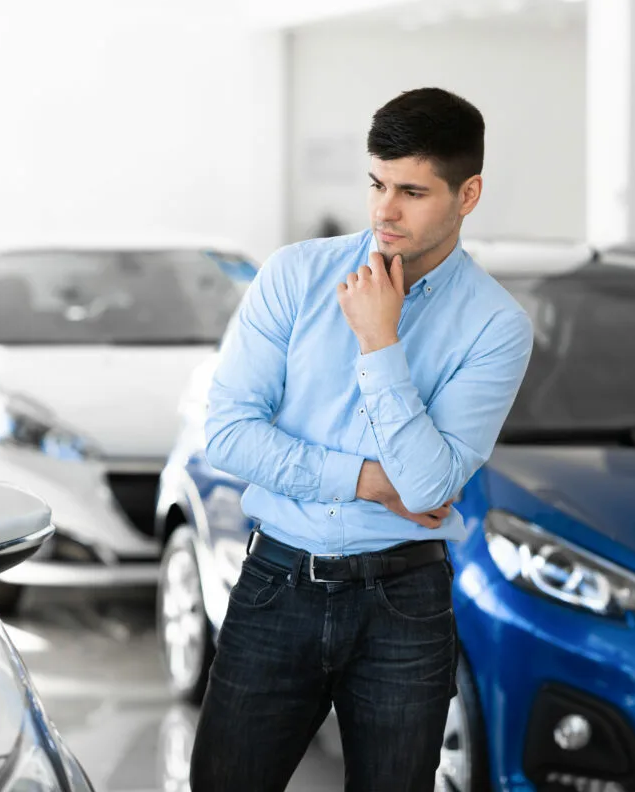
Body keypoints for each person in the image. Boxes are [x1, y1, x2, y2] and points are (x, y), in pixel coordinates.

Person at [190, 87, 534, 791]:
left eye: (412, 191)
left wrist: (379, 339)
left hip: (404, 602)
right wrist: (371, 481)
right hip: (275, 583)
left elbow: (432, 489)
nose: (384, 210)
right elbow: (227, 435)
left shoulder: (497, 327)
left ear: (467, 194)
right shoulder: (294, 275)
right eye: (377, 183)